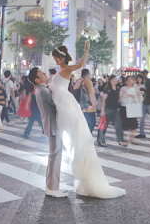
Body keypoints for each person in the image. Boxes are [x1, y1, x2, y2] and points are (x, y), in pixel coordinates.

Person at [49, 42, 125, 199]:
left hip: (66, 106)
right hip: (63, 105)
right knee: (75, 140)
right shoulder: (61, 69)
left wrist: (87, 50)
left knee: (77, 140)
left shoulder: (67, 68)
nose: (55, 60)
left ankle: (89, 181)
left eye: (56, 58)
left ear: (61, 58)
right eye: (54, 58)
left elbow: (80, 64)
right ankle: (86, 181)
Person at [27, 68, 66, 197]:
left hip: (52, 125)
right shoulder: (43, 90)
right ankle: (52, 188)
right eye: (41, 73)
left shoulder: (42, 89)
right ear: (37, 80)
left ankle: (52, 186)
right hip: (52, 125)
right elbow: (58, 103)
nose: (44, 73)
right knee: (55, 157)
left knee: (54, 156)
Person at [97, 75, 125, 147]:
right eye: (112, 79)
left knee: (119, 124)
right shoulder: (107, 89)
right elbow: (103, 100)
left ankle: (120, 140)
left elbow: (118, 100)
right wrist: (103, 110)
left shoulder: (118, 89)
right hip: (107, 109)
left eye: (115, 79)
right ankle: (101, 140)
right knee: (104, 125)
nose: (114, 80)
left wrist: (122, 96)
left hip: (115, 109)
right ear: (110, 81)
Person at [136, 72, 150, 138]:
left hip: (149, 103)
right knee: (142, 118)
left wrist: (144, 90)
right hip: (145, 102)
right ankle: (142, 133)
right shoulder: (146, 82)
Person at [118, 75, 139, 144]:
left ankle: (131, 138)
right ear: (126, 81)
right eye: (128, 80)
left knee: (134, 125)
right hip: (124, 107)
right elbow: (120, 100)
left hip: (131, 107)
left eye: (131, 80)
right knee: (123, 125)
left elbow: (136, 99)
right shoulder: (123, 88)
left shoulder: (133, 89)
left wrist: (137, 108)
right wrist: (126, 95)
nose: (130, 81)